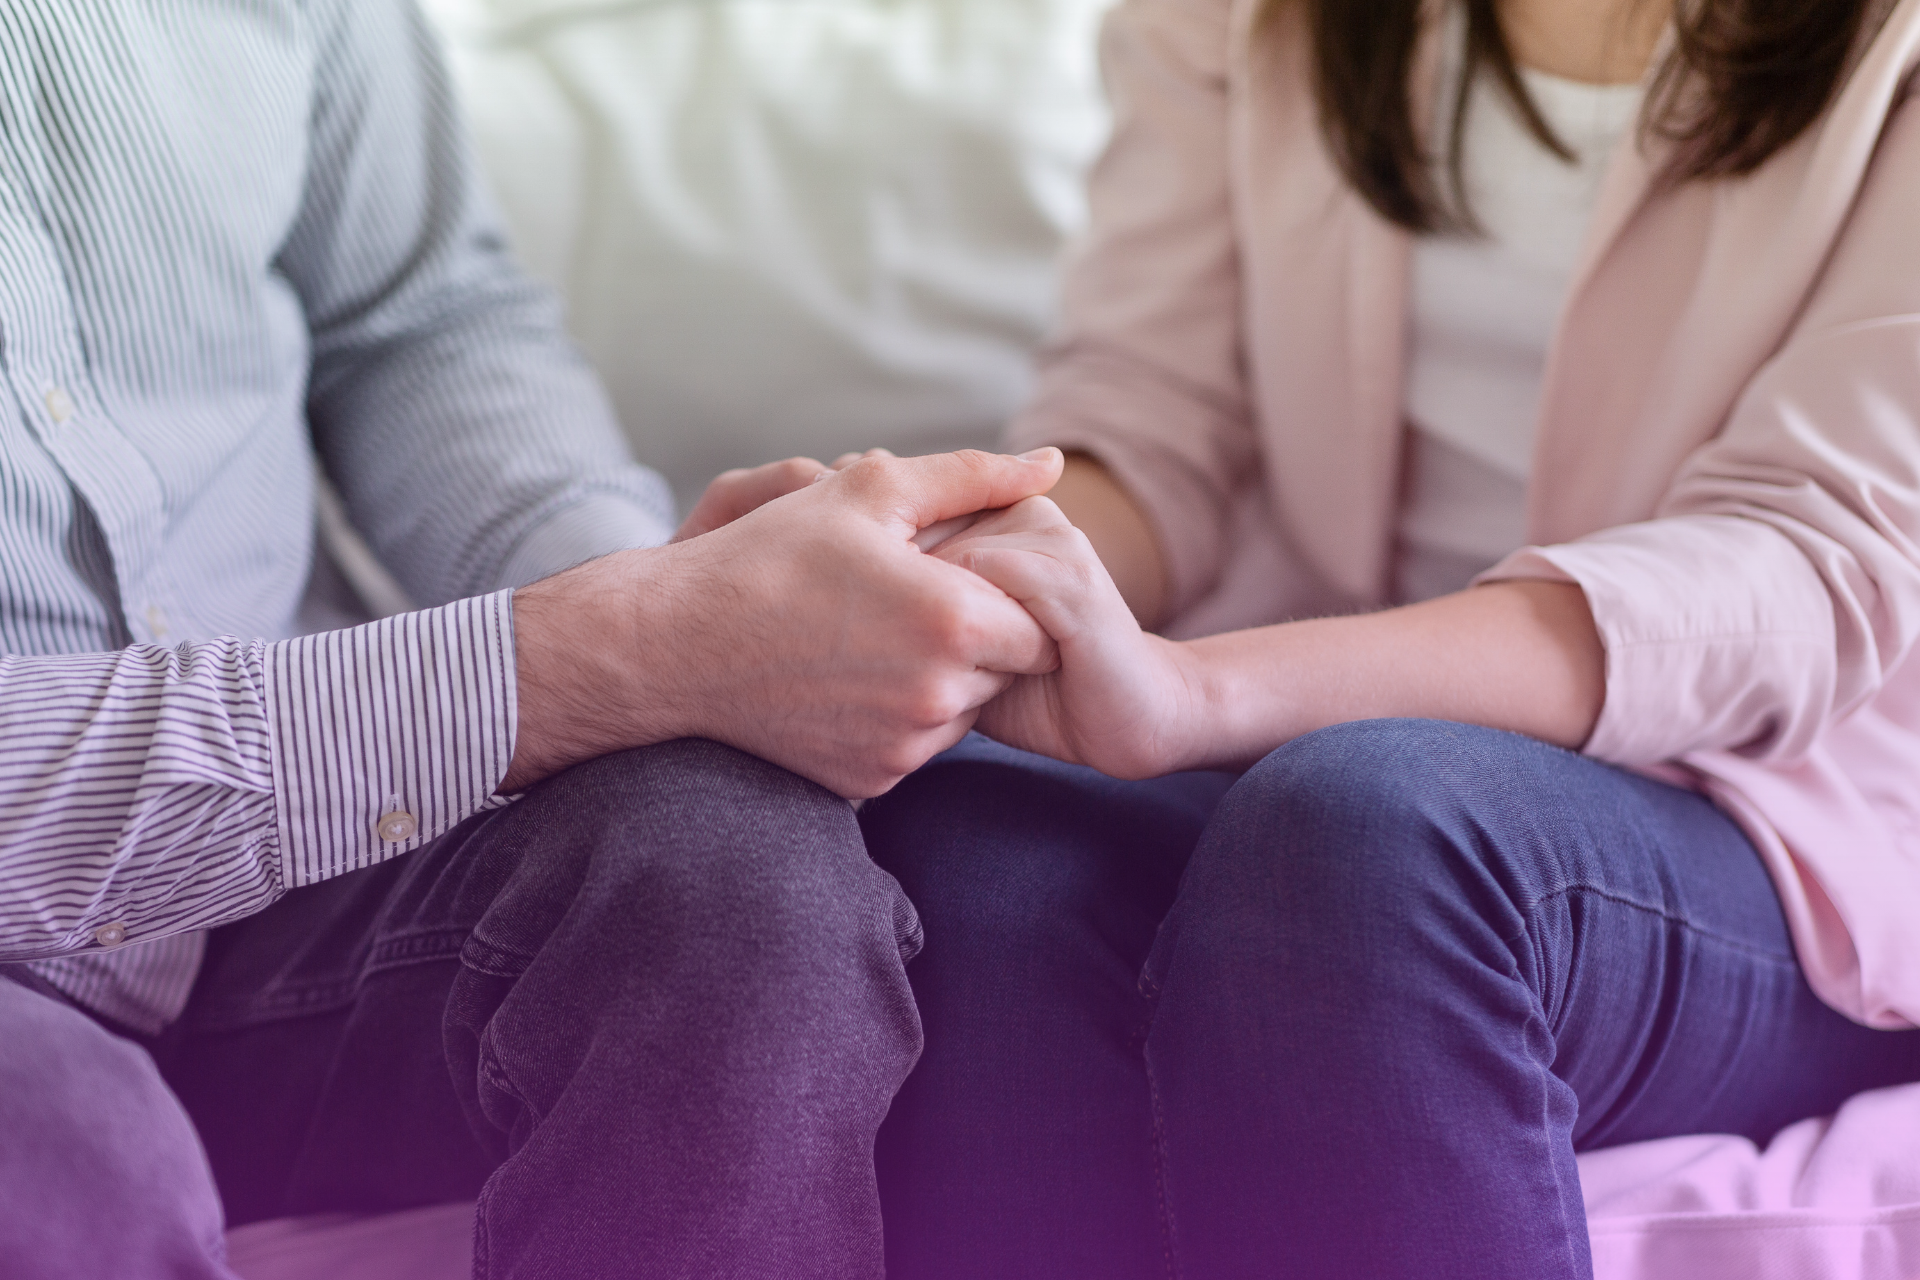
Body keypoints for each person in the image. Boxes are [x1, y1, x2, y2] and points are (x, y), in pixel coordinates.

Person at [0, 2, 1066, 1276]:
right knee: (65, 1154)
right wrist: (605, 647)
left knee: (726, 860)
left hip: (298, 881)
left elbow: (414, 319)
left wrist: (678, 605)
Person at [859, 0, 1920, 1275]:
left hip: (1793, 818)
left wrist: (1201, 692)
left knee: (1373, 839)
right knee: (974, 840)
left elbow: (1808, 565)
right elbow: (1155, 418)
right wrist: (938, 562)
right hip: (1320, 737)